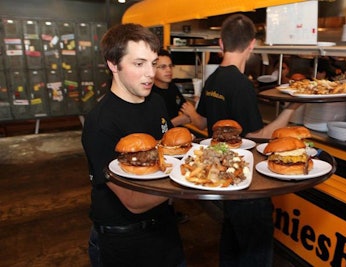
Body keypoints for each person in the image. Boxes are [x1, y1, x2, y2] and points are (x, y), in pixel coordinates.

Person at [183, 14, 301, 267]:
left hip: (224, 174)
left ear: (220, 43)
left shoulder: (213, 79)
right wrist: (292, 107)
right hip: (247, 179)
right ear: (253, 45)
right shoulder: (241, 85)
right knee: (254, 248)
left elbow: (203, 122)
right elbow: (257, 136)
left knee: (232, 238)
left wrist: (191, 113)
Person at [81, 23, 185, 267]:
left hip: (166, 228)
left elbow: (167, 155)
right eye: (139, 64)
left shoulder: (157, 103)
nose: (151, 73)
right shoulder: (100, 123)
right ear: (113, 64)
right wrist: (191, 182)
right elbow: (133, 200)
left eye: (153, 62)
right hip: (124, 239)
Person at [152, 48, 197, 127]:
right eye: (163, 67)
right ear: (152, 69)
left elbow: (185, 107)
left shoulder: (172, 87)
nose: (168, 70)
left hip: (176, 134)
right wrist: (177, 121)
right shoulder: (150, 95)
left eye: (170, 66)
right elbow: (154, 129)